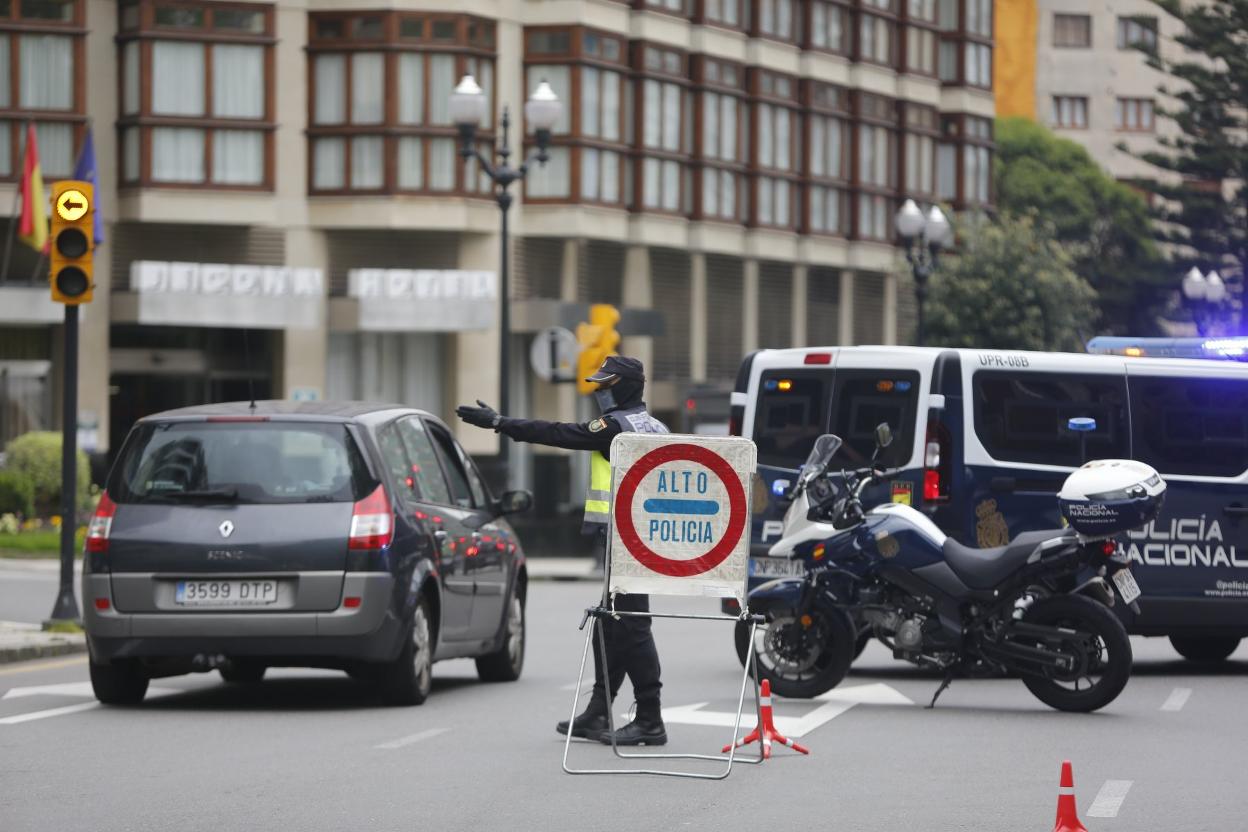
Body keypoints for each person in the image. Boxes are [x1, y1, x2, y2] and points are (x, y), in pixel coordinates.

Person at [455, 355, 668, 746]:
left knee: (633, 626)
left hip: (628, 542)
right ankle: (598, 712)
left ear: (625, 386)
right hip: (643, 539)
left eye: (606, 385)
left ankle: (650, 719)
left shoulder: (616, 427)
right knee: (611, 621)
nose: (599, 392)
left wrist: (502, 424)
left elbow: (559, 433)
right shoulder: (655, 425)